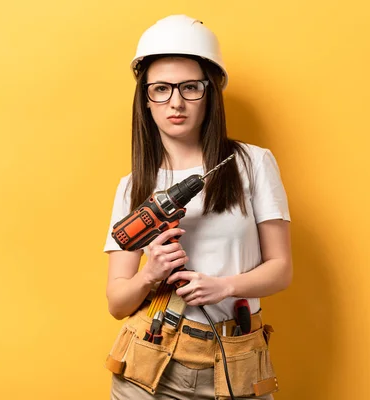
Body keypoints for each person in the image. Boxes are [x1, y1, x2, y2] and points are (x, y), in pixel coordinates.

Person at [103, 14, 292, 400]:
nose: (176, 102)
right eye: (161, 89)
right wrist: (150, 274)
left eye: (190, 87)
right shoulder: (134, 185)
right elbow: (117, 303)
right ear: (146, 100)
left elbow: (282, 269)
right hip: (149, 364)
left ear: (210, 93)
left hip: (236, 362)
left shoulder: (252, 163)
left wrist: (225, 286)